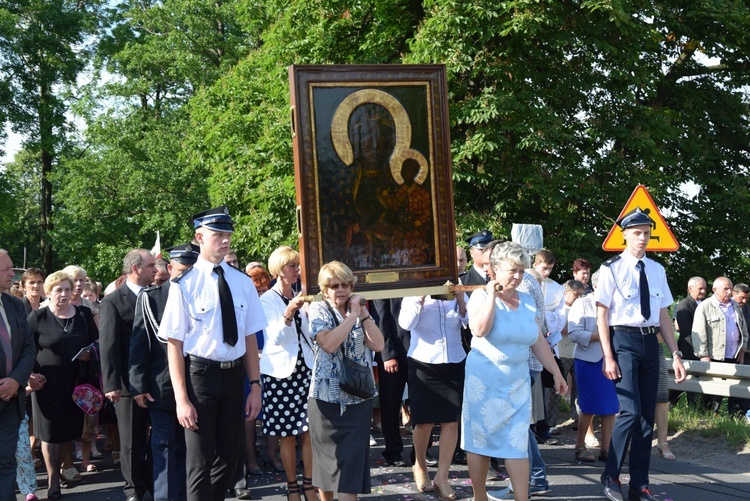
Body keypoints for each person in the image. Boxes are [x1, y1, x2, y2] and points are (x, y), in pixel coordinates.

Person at [160, 205, 267, 501]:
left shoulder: (242, 283)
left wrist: (255, 386)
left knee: (230, 458)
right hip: (199, 378)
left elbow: (249, 339)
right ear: (199, 237)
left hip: (234, 377)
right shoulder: (184, 285)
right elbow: (175, 345)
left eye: (228, 234)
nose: (225, 239)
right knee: (199, 461)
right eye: (217, 234)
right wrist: (181, 399)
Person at [462, 242, 567, 501]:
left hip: (517, 382)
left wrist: (555, 372)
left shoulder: (528, 300)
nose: (518, 276)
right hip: (484, 380)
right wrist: (491, 295)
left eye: (521, 271)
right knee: (480, 441)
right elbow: (479, 330)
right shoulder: (480, 296)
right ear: (495, 269)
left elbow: (538, 340)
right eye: (512, 270)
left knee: (517, 443)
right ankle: (480, 496)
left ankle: (523, 498)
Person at [597, 208, 686, 501]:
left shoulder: (657, 270)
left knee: (646, 417)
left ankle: (639, 484)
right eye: (637, 233)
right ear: (625, 235)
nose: (642, 238)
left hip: (651, 343)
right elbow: (602, 315)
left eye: (646, 233)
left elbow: (663, 317)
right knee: (630, 412)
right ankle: (611, 475)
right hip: (622, 338)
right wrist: (608, 356)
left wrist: (675, 354)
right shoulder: (611, 269)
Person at [307, 261, 384, 501]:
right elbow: (329, 344)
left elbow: (378, 345)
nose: (340, 290)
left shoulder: (359, 311)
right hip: (325, 400)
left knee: (350, 468)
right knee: (327, 467)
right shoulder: (318, 309)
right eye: (334, 285)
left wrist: (364, 314)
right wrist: (352, 317)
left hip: (357, 398)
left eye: (345, 284)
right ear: (324, 289)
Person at [129, 243, 199, 501]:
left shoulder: (206, 294)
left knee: (193, 451)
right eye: (182, 269)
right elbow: (139, 343)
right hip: (163, 387)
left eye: (192, 269)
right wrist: (138, 385)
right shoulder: (151, 298)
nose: (187, 275)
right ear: (170, 269)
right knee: (166, 448)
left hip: (200, 386)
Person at [27, 271, 98, 500]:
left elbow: (97, 341)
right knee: (49, 434)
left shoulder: (84, 314)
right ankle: (52, 481)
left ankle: (59, 471)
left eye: (67, 289)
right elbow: (24, 348)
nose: (65, 294)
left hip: (76, 384)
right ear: (48, 293)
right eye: (59, 290)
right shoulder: (38, 317)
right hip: (46, 383)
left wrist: (90, 352)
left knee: (69, 431)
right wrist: (29, 375)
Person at [100, 249, 158, 501]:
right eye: (151, 266)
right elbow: (108, 345)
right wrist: (111, 384)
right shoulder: (113, 301)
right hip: (125, 385)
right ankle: (133, 488)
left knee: (158, 434)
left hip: (156, 380)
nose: (156, 270)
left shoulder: (156, 297)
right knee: (132, 439)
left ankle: (151, 479)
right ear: (136, 269)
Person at [259, 246, 315, 500]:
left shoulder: (302, 294)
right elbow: (276, 338)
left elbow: (312, 334)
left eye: (297, 266)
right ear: (279, 270)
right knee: (287, 433)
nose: (297, 270)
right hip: (281, 375)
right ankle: (292, 486)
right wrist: (289, 311)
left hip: (306, 370)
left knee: (310, 430)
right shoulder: (267, 300)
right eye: (292, 266)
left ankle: (309, 484)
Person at [399, 291, 467, 500]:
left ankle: (442, 477)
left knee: (452, 422)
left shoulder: (458, 286)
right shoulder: (414, 291)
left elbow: (470, 323)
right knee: (424, 421)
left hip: (454, 360)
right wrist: (420, 298)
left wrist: (461, 302)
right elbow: (405, 323)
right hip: (423, 361)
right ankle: (419, 465)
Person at [568, 270, 617, 464]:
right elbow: (574, 333)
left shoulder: (616, 306)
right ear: (596, 285)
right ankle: (580, 446)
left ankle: (607, 449)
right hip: (589, 361)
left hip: (612, 360)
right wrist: (602, 337)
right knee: (588, 406)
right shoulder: (583, 303)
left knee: (610, 406)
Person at [0, 250, 36, 500]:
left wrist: (16, 380)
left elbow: (28, 346)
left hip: (11, 401)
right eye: (7, 270)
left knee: (6, 464)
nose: (13, 275)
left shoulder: (14, 304)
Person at [691, 276, 749, 414]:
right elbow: (698, 333)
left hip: (734, 355)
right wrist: (704, 356)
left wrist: (743, 349)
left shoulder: (735, 306)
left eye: (730, 288)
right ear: (715, 290)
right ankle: (710, 417)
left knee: (736, 390)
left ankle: (735, 417)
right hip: (715, 356)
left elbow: (743, 330)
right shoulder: (705, 307)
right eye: (726, 289)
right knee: (713, 393)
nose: (729, 292)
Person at [372, 299, 410, 467]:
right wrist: (387, 354)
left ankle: (422, 450)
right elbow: (380, 316)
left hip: (420, 350)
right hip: (393, 350)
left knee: (422, 404)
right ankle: (393, 451)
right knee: (390, 405)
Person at [674, 277, 707, 361]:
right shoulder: (684, 306)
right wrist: (701, 352)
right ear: (690, 289)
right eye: (700, 288)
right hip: (691, 351)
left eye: (704, 288)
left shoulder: (706, 303)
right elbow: (687, 333)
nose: (703, 291)